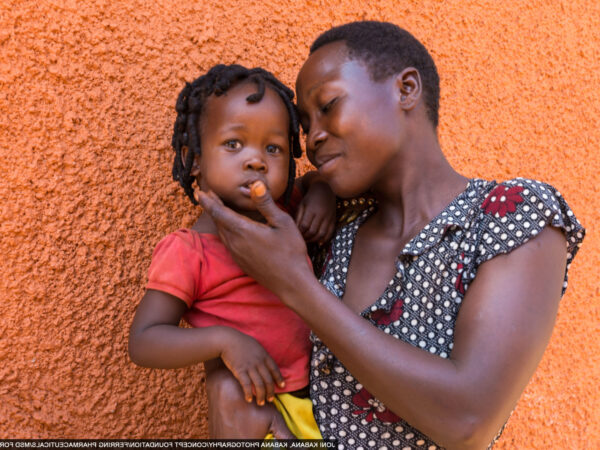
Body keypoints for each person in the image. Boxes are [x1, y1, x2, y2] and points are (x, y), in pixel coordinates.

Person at [197, 22, 585, 449]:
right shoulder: (331, 225)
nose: (313, 139)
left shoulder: (508, 216)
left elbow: (469, 422)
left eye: (328, 105)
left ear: (406, 89)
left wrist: (295, 286)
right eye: (305, 126)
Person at [128, 64, 336, 439]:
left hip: (324, 400)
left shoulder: (287, 211)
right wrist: (224, 341)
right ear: (194, 160)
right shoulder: (189, 251)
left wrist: (321, 193)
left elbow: (315, 179)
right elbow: (144, 340)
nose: (256, 161)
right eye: (233, 144)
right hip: (258, 407)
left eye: (273, 148)